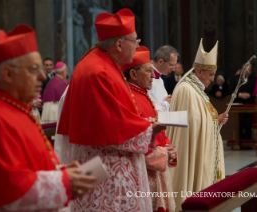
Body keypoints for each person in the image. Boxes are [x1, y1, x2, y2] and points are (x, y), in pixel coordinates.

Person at [0, 24, 97, 211]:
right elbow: (9, 188)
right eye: (33, 69)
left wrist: (61, 173)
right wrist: (63, 182)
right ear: (8, 74)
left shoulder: (17, 109)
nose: (42, 76)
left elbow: (30, 167)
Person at [57, 9, 166, 212]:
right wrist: (150, 129)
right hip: (107, 171)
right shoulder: (100, 71)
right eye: (135, 40)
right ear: (118, 44)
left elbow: (116, 115)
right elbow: (112, 125)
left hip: (102, 166)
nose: (137, 45)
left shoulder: (101, 63)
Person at [166, 38, 228, 212]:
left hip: (199, 146)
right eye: (210, 75)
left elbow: (202, 118)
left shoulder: (196, 88)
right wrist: (212, 120)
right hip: (189, 149)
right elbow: (191, 123)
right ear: (199, 71)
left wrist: (216, 120)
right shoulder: (186, 89)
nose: (212, 79)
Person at [123, 46, 177, 212]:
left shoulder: (143, 95)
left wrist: (169, 147)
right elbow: (134, 141)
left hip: (158, 164)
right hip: (146, 173)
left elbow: (158, 129)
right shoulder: (129, 99)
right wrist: (163, 154)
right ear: (133, 74)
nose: (154, 76)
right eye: (148, 71)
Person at [148, 45, 179, 112]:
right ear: (160, 62)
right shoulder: (147, 78)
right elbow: (148, 108)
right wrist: (166, 103)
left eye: (174, 65)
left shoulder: (161, 79)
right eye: (171, 65)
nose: (173, 69)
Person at [230, 64, 256, 139]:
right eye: (246, 70)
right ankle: (239, 141)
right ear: (242, 70)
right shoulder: (235, 79)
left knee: (248, 124)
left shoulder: (254, 79)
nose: (248, 72)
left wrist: (248, 95)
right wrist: (240, 94)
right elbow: (231, 90)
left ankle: (248, 143)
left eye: (249, 70)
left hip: (250, 105)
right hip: (238, 104)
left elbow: (256, 91)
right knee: (239, 124)